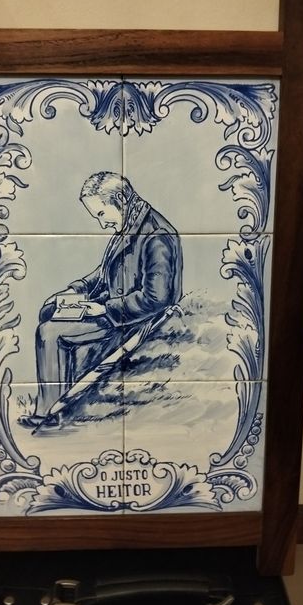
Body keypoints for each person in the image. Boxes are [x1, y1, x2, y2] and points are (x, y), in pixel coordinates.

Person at [21, 172, 183, 426]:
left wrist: (104, 309)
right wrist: (75, 290)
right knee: (50, 310)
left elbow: (157, 298)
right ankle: (55, 404)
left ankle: (48, 414)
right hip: (115, 312)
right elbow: (105, 272)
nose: (101, 222)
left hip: (132, 320)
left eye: (100, 213)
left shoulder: (157, 235)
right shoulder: (131, 224)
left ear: (121, 200)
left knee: (49, 332)